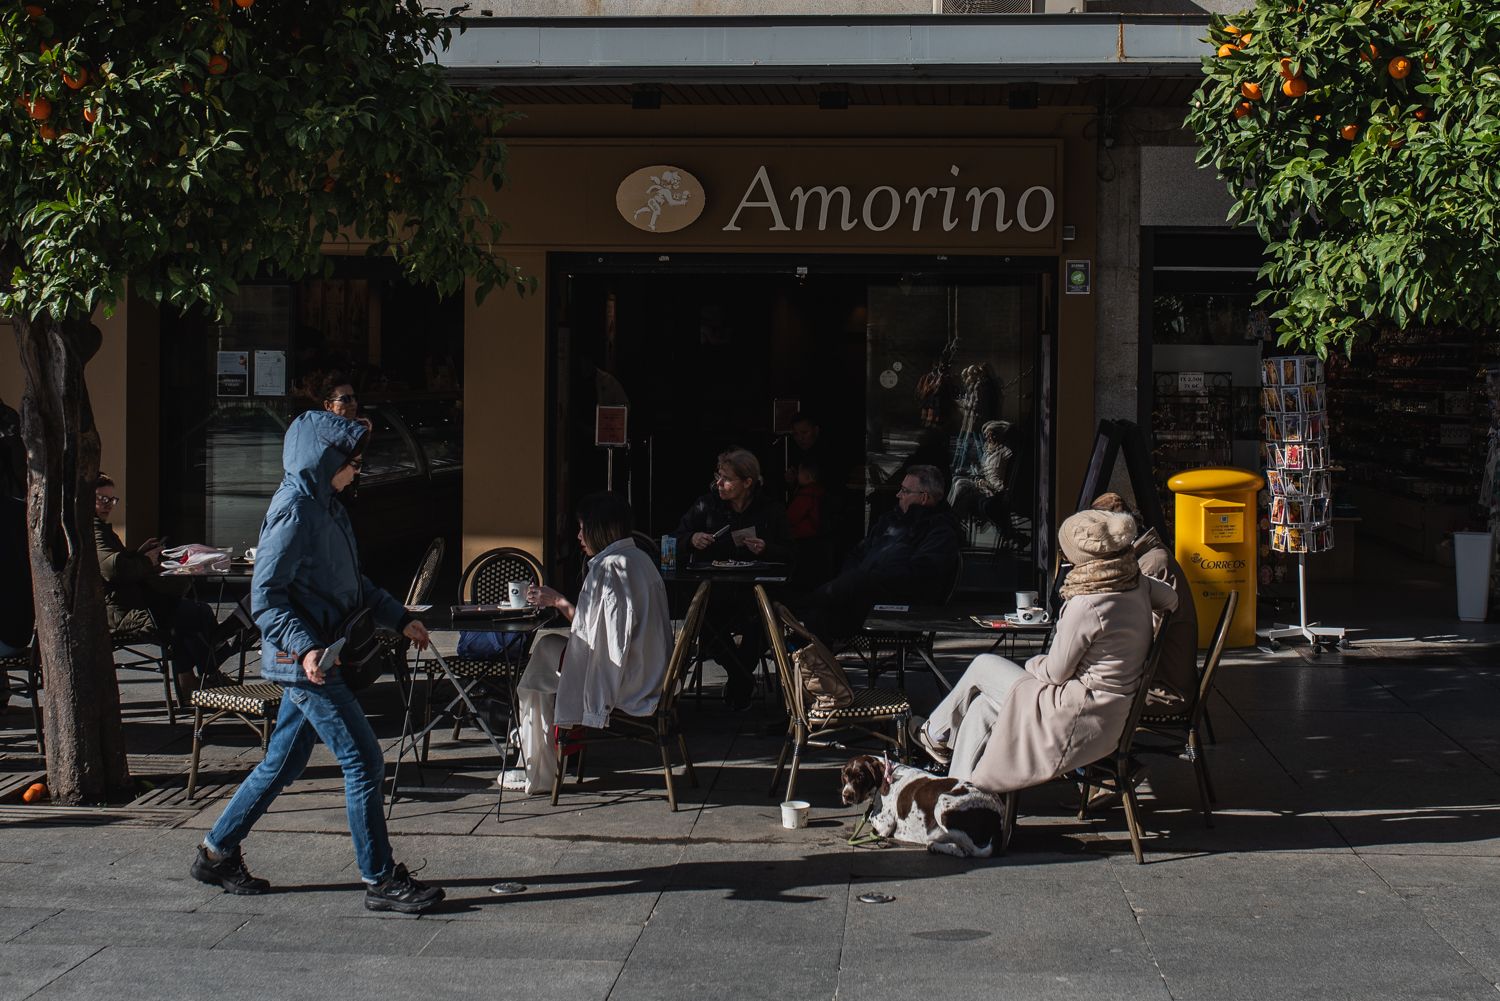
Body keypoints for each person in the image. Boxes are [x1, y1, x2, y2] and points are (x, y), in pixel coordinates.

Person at [191, 410, 442, 913]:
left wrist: (399, 618)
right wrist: (305, 648)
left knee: (283, 762)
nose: (358, 471)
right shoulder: (295, 512)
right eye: (353, 463)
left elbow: (351, 583)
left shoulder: (326, 505)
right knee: (364, 760)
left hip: (318, 655)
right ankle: (380, 880)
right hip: (308, 662)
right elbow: (266, 598)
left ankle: (216, 852)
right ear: (325, 460)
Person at [912, 509, 1178, 793]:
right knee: (982, 707)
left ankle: (933, 735)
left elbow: (1054, 673)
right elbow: (1171, 599)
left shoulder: (1087, 605)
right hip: (1108, 716)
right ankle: (959, 793)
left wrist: (1032, 664)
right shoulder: (1137, 584)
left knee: (983, 665)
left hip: (1074, 715)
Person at [500, 492, 674, 795]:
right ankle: (536, 757)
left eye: (583, 528)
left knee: (538, 669)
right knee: (544, 658)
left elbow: (600, 638)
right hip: (650, 670)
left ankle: (537, 769)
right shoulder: (640, 559)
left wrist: (558, 601)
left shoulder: (610, 568)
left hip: (627, 679)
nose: (579, 536)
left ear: (600, 528)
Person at [673, 447, 791, 709]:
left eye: (726, 479)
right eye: (719, 477)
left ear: (747, 482)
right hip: (715, 591)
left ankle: (739, 681)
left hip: (755, 592)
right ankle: (742, 678)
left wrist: (766, 549)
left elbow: (790, 552)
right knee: (702, 619)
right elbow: (676, 538)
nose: (719, 484)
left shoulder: (770, 509)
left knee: (762, 621)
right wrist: (692, 539)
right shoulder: (707, 504)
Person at [94, 474, 226, 702]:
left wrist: (138, 554)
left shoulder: (101, 529)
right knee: (188, 616)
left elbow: (115, 563)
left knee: (190, 612)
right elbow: (112, 569)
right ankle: (208, 676)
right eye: (102, 499)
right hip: (120, 612)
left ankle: (198, 679)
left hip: (128, 602)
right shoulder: (93, 530)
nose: (108, 505)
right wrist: (146, 560)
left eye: (112, 500)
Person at [799, 464, 961, 641]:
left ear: (924, 498)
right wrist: (852, 581)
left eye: (905, 491)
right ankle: (804, 638)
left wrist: (870, 578)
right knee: (821, 610)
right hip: (863, 595)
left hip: (900, 604)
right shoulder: (890, 520)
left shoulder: (940, 531)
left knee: (823, 607)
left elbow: (921, 574)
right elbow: (857, 553)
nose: (898, 495)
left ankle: (801, 617)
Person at [1091, 492, 1200, 710]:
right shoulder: (1147, 557)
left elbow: (1139, 646)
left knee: (1076, 698)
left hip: (1162, 691)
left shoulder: (1151, 566)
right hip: (1158, 681)